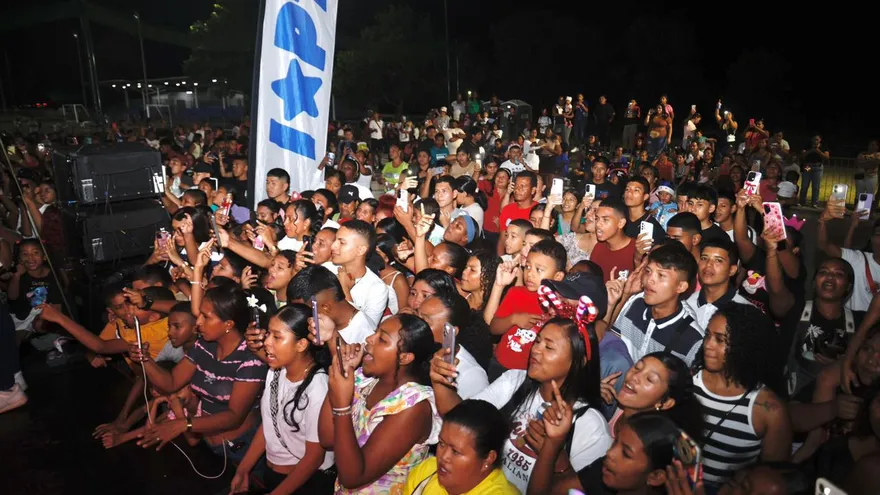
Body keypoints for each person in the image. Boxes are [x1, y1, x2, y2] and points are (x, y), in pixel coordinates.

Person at [431, 316, 611, 494]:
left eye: (548, 347)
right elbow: (463, 421)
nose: (535, 350)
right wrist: (440, 382)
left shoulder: (589, 424)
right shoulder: (515, 380)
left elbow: (583, 489)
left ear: (578, 362)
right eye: (537, 341)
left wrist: (556, 457)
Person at [129, 287, 268, 463]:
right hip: (205, 442)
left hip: (239, 450)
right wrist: (145, 359)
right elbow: (171, 382)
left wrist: (184, 424)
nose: (198, 322)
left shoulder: (250, 359)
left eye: (206, 317)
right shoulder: (205, 345)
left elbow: (234, 417)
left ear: (228, 324)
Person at [317, 314, 442, 495]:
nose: (369, 339)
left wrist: (342, 408)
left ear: (405, 357)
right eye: (375, 333)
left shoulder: (414, 405)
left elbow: (353, 477)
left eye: (382, 339)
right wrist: (342, 373)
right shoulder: (365, 380)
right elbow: (327, 439)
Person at [231, 304, 336, 495]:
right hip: (273, 475)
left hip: (305, 483)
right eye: (269, 334)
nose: (267, 342)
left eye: (277, 337)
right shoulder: (276, 371)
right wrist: (243, 469)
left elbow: (314, 458)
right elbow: (270, 423)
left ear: (301, 344)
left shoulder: (318, 388)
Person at [693, 303, 792, 489]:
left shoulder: (769, 410)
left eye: (720, 340)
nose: (708, 345)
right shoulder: (689, 381)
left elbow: (771, 482)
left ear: (744, 346)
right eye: (707, 335)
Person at [531, 411, 686, 495]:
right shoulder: (606, 471)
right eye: (615, 442)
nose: (610, 453)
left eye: (626, 453)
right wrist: (552, 443)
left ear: (655, 476)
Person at [607, 242, 703, 366]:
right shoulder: (635, 304)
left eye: (661, 275)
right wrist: (624, 295)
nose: (649, 280)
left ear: (681, 286)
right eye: (648, 271)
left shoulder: (693, 339)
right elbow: (610, 340)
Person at [484, 240, 567, 376]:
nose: (530, 273)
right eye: (527, 267)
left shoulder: (559, 307)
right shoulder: (516, 293)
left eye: (538, 270)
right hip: (499, 364)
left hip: (527, 374)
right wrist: (514, 319)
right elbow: (493, 328)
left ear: (557, 276)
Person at [403, 399, 518, 495]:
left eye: (455, 451)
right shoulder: (427, 470)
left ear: (488, 458)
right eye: (442, 443)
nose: (444, 457)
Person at [414, 293, 490, 400]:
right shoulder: (415, 348)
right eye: (416, 315)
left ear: (450, 332)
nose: (414, 324)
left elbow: (467, 416)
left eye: (424, 321)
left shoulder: (472, 375)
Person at [818, 201, 880, 312]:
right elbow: (824, 244)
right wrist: (823, 221)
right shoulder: (859, 260)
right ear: (871, 238)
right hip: (853, 327)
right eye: (878, 234)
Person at [330, 220, 390, 327]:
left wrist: (345, 290)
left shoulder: (377, 289)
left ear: (361, 250)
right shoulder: (327, 269)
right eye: (335, 240)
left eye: (341, 242)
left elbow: (366, 330)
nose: (333, 246)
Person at [685, 239, 754, 329]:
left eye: (718, 260)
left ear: (732, 270)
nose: (708, 264)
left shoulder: (746, 312)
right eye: (704, 258)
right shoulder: (686, 304)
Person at [589, 197, 636, 283]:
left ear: (621, 223)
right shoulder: (599, 248)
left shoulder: (636, 251)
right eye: (597, 218)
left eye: (605, 220)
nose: (598, 224)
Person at [498, 171, 538, 255]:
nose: (517, 189)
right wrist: (500, 260)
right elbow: (502, 239)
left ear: (533, 190)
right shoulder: (507, 209)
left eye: (523, 186)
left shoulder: (538, 211)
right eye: (516, 185)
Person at [622, 177, 665, 245]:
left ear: (645, 197)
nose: (629, 193)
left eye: (636, 190)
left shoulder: (652, 226)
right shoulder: (619, 217)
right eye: (627, 189)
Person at [800, 135, 830, 208]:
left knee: (816, 186)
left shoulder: (823, 147)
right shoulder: (807, 146)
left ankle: (814, 203)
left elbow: (826, 157)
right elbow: (802, 156)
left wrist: (818, 151)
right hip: (808, 166)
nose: (815, 141)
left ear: (820, 139)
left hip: (818, 167)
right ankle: (802, 202)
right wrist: (811, 150)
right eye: (814, 139)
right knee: (804, 185)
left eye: (817, 139)